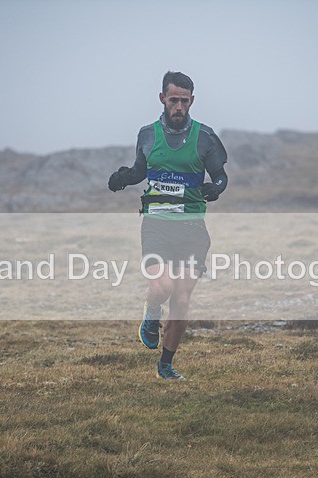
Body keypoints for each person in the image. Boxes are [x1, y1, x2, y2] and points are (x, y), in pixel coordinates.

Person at [108, 71, 229, 380]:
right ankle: (150, 317)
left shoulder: (205, 137)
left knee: (182, 299)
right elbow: (139, 170)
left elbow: (220, 175)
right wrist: (123, 177)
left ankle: (166, 365)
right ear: (162, 98)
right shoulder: (147, 134)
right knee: (162, 286)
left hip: (192, 229)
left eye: (184, 101)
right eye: (173, 100)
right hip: (156, 225)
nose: (179, 106)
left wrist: (217, 187)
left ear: (192, 101)